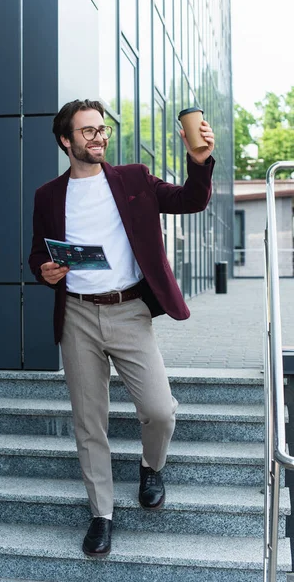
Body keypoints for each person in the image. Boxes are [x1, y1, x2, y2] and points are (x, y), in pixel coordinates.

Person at [29, 99, 215, 557]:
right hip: (76, 314)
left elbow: (190, 200)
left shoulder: (133, 179)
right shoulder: (48, 195)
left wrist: (200, 162)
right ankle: (102, 514)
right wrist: (45, 271)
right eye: (88, 132)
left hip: (129, 310)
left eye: (102, 130)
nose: (98, 138)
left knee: (159, 410)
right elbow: (38, 254)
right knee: (89, 422)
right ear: (65, 140)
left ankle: (151, 467)